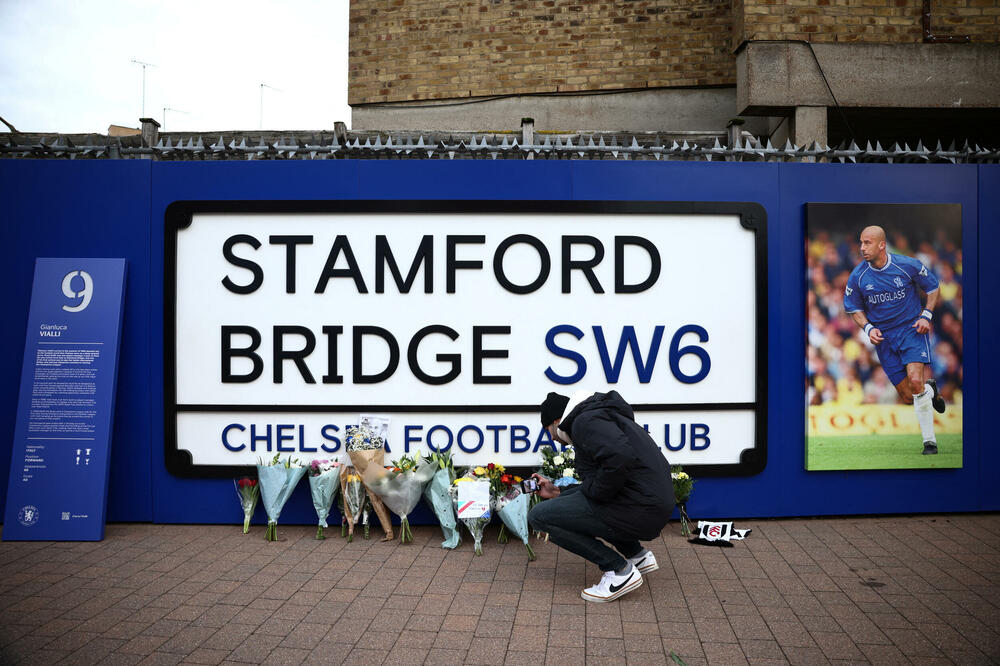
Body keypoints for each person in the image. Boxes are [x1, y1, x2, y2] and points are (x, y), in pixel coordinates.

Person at [528, 390, 674, 602]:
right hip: (647, 502)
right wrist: (557, 491)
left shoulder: (584, 422)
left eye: (547, 430)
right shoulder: (596, 416)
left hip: (640, 507)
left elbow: (619, 459)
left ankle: (620, 571)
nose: (551, 437)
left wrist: (596, 496)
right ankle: (637, 555)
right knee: (583, 500)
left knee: (539, 516)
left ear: (557, 421)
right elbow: (602, 478)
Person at [843, 225, 946, 454]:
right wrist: (868, 328)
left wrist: (926, 315)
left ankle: (929, 442)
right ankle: (930, 391)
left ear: (882, 244)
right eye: (861, 242)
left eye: (867, 243)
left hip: (911, 330)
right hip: (885, 339)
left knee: (915, 381)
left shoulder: (907, 265)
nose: (862, 248)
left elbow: (933, 287)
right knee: (909, 396)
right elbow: (853, 308)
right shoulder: (858, 276)